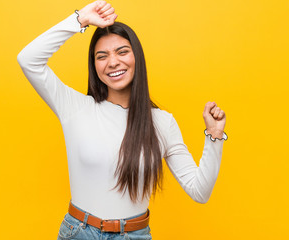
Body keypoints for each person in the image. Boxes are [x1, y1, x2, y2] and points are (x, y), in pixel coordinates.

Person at [17, 1, 228, 239]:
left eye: (122, 51)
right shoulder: (75, 107)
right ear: (94, 65)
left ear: (137, 57)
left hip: (134, 234)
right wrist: (80, 19)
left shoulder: (162, 123)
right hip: (79, 232)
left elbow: (199, 191)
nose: (113, 62)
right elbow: (28, 60)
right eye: (101, 56)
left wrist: (215, 136)